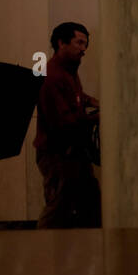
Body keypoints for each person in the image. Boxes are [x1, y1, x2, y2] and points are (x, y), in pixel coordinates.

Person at [34, 22, 101, 228]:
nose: (84, 49)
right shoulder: (51, 76)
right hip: (58, 154)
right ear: (61, 43)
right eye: (79, 42)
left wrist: (93, 102)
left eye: (85, 43)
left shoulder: (68, 70)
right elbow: (64, 123)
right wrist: (98, 117)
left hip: (73, 153)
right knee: (58, 210)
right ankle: (44, 252)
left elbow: (75, 97)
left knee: (90, 206)